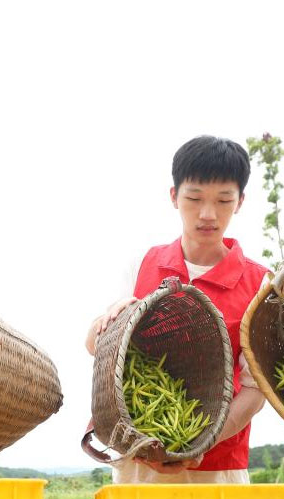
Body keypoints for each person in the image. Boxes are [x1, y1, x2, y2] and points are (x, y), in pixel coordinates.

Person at [86, 135, 269, 484]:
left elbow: (255, 389)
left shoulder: (258, 284)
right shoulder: (144, 263)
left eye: (224, 200)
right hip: (137, 461)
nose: (208, 214)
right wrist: (113, 318)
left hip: (217, 469)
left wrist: (201, 442)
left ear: (240, 201)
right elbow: (95, 347)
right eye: (194, 198)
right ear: (174, 196)